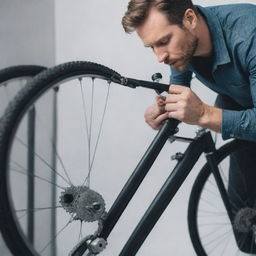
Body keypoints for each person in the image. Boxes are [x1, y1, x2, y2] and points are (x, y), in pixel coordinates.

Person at [122, 0, 256, 253]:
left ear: (190, 19)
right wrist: (164, 109)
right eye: (151, 47)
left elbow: (202, 112)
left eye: (163, 42)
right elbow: (179, 88)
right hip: (242, 112)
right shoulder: (184, 48)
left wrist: (204, 113)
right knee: (246, 233)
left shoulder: (249, 34)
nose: (160, 57)